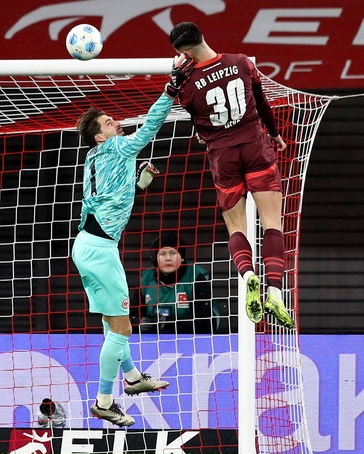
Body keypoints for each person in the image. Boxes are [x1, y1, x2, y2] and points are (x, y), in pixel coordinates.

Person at [71, 53, 195, 427]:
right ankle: (104, 400)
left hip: (90, 245)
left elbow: (114, 198)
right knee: (122, 328)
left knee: (114, 324)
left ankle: (133, 378)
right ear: (99, 135)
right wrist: (171, 87)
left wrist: (140, 181)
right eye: (110, 123)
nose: (117, 123)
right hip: (99, 251)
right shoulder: (116, 147)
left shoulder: (97, 156)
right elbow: (151, 125)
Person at [168, 22, 294, 329]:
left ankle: (248, 275)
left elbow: (197, 123)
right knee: (272, 223)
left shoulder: (186, 84)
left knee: (236, 227)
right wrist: (275, 134)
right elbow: (262, 101)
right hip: (255, 145)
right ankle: (275, 291)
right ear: (202, 37)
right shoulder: (242, 62)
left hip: (223, 157)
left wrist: (176, 79)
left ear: (183, 53)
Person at [134, 232, 221, 334]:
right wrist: (141, 324)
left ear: (182, 257)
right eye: (162, 254)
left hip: (193, 341)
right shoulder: (146, 279)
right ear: (155, 259)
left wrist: (169, 324)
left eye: (173, 253)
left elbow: (206, 323)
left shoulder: (196, 277)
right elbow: (132, 316)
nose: (168, 258)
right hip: (153, 341)